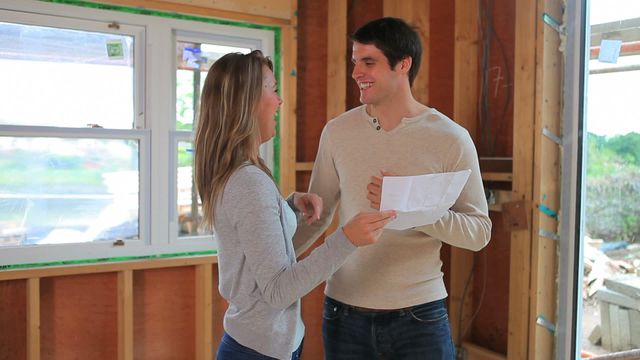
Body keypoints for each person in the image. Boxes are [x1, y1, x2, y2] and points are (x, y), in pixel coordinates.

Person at [292, 17, 492, 359]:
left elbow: (478, 232)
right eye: (355, 62)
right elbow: (317, 216)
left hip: (419, 317)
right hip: (343, 312)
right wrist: (273, 267)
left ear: (404, 64)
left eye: (369, 62)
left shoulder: (450, 139)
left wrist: (410, 205)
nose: (357, 72)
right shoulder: (338, 132)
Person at [193, 50, 396, 360]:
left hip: (257, 343)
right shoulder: (249, 182)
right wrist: (347, 239)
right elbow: (277, 290)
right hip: (259, 351)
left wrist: (286, 207)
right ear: (247, 102)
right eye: (272, 89)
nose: (279, 101)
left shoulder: (239, 174)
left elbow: (254, 242)